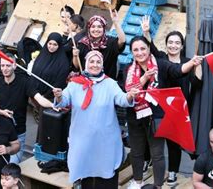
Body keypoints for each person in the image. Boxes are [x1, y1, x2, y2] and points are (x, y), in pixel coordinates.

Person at [124, 36, 202, 189]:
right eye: (136, 50)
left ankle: (157, 185)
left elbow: (178, 70)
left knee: (157, 153)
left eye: (143, 48)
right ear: (132, 52)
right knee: (137, 151)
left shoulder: (160, 64)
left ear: (148, 49)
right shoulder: (129, 69)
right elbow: (127, 92)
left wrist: (192, 63)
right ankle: (137, 181)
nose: (140, 53)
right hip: (135, 116)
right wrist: (144, 78)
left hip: (156, 117)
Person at [53, 50, 139, 188]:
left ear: (102, 65)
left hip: (105, 140)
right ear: (86, 64)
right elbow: (64, 101)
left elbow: (122, 99)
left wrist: (129, 96)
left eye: (98, 62)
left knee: (105, 176)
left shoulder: (110, 84)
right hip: (82, 139)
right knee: (86, 173)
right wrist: (58, 96)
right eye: (91, 61)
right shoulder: (75, 84)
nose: (95, 64)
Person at [142, 17, 203, 185]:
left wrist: (197, 66)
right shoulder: (161, 58)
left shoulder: (187, 62)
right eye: (170, 42)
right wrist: (146, 31)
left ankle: (173, 172)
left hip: (178, 110)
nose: (173, 45)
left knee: (174, 144)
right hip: (159, 107)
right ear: (166, 44)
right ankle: (149, 162)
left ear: (182, 46)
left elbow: (197, 84)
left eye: (177, 43)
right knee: (154, 138)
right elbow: (151, 48)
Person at [0, 55, 53, 164]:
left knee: (12, 167)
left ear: (14, 66)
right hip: (1, 132)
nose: (4, 68)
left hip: (18, 133)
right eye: (2, 65)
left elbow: (39, 98)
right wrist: (1, 112)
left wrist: (54, 106)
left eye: (8, 65)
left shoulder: (25, 82)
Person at [74, 12, 126, 79]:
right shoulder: (82, 44)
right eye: (93, 27)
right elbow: (77, 66)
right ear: (89, 28)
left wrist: (115, 22)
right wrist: (75, 56)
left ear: (104, 28)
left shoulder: (110, 43)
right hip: (87, 83)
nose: (96, 29)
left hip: (106, 84)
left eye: (99, 26)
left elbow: (122, 40)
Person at [31, 33, 70, 100]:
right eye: (50, 43)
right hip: (34, 94)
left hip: (49, 98)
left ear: (59, 45)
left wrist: (45, 96)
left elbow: (59, 82)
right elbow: (33, 73)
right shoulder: (42, 55)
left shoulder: (63, 63)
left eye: (55, 44)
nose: (51, 47)